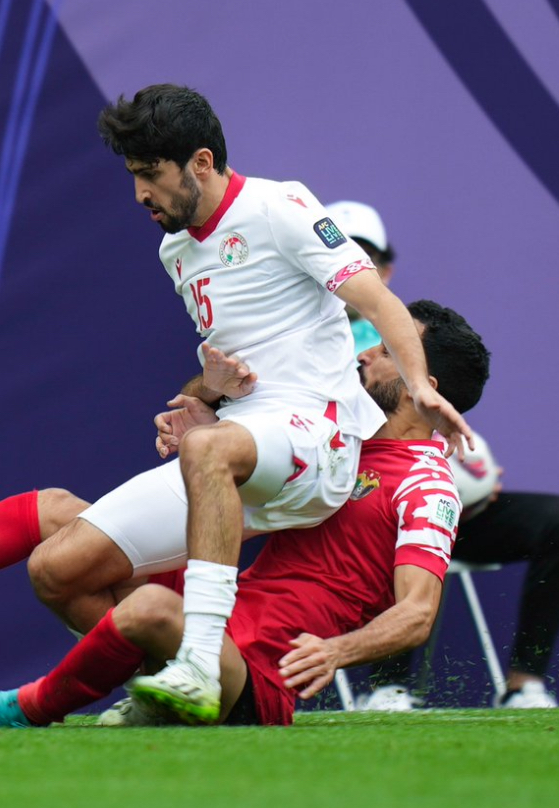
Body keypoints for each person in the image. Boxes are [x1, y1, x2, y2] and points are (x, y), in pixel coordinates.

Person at [75, 84, 472, 725]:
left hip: (311, 439)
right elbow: (238, 362)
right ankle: (179, 689)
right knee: (60, 561)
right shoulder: (176, 251)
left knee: (201, 466)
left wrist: (422, 385)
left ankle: (173, 672)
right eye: (135, 176)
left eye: (150, 175)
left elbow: (381, 306)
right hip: (251, 443)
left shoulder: (280, 206)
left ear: (200, 162)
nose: (141, 194)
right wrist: (197, 396)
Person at [0, 299, 491, 727]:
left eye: (390, 352)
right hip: (221, 610)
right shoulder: (342, 435)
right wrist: (207, 421)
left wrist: (336, 651)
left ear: (426, 388)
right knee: (62, 521)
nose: (368, 351)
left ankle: (29, 707)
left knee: (148, 607)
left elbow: (417, 613)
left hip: (257, 672)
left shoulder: (428, 485)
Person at [327, 199, 559, 710]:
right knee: (395, 512)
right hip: (351, 499)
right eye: (337, 256)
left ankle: (524, 685)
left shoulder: (411, 329)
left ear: (383, 270)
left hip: (431, 491)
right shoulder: (296, 335)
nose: (347, 271)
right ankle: (388, 687)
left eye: (361, 258)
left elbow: (432, 409)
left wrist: (470, 471)